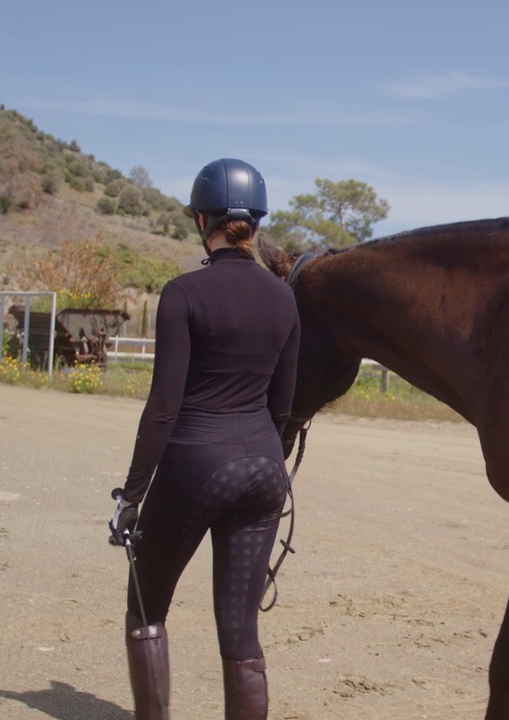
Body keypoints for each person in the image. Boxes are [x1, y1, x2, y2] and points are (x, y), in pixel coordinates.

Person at [109, 158, 300, 720]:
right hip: (264, 467)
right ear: (256, 222)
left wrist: (131, 495)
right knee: (241, 632)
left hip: (195, 464)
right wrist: (266, 465)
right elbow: (283, 406)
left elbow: (164, 408)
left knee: (146, 605)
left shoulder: (183, 294)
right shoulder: (285, 298)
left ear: (201, 219)